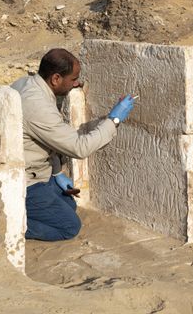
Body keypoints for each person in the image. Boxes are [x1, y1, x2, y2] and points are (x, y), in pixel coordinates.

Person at [11, 48, 135, 241]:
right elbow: (79, 147)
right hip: (26, 182)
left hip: (38, 170)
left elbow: (44, 139)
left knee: (70, 206)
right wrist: (114, 120)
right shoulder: (36, 106)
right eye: (73, 79)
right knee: (69, 227)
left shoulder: (28, 84)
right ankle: (9, 225)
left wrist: (57, 172)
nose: (77, 83)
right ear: (56, 79)